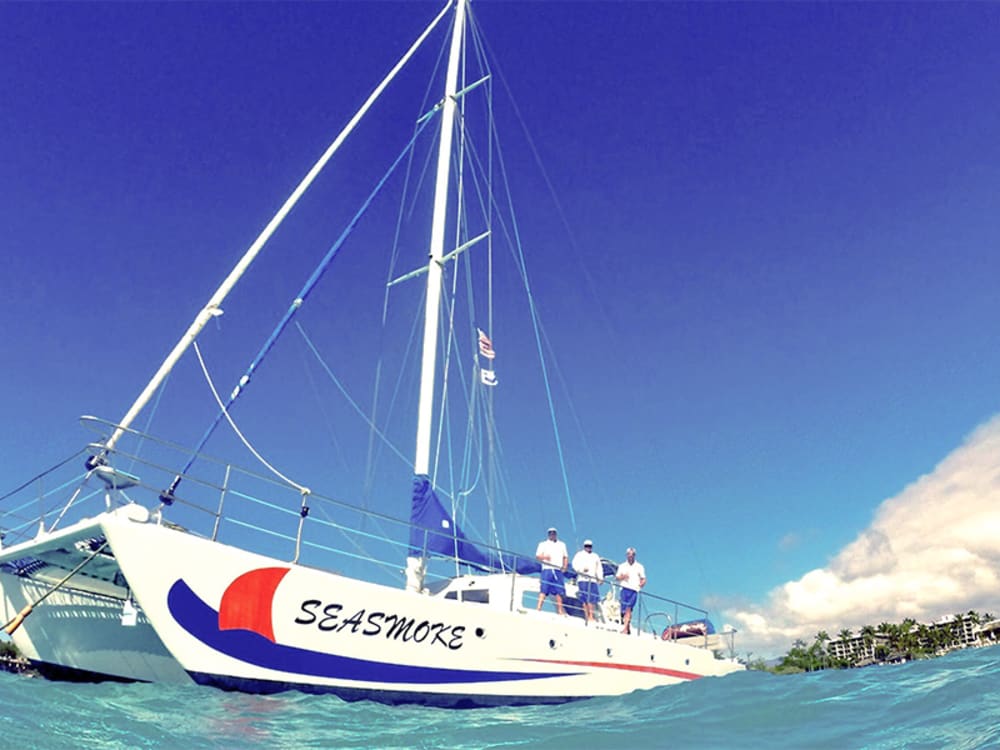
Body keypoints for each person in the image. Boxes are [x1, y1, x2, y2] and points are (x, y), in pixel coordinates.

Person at [535, 526, 568, 614]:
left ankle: (560, 610)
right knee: (544, 589)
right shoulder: (543, 544)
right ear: (548, 534)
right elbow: (538, 556)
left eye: (553, 533)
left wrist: (564, 566)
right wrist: (545, 557)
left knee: (559, 591)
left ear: (556, 534)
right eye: (550, 533)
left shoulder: (562, 544)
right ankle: (538, 608)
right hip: (547, 569)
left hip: (557, 569)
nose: (552, 535)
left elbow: (565, 557)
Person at [615, 546, 646, 634]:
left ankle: (625, 629)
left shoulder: (639, 566)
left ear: (634, 555)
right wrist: (623, 576)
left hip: (633, 590)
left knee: (629, 608)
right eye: (629, 554)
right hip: (624, 589)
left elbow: (643, 578)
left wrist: (642, 584)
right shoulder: (622, 566)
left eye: (632, 555)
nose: (630, 556)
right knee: (623, 610)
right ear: (626, 555)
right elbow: (617, 577)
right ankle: (627, 627)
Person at [571, 539, 603, 623]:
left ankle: (591, 616)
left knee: (591, 599)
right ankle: (587, 616)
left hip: (592, 580)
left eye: (589, 546)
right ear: (584, 546)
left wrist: (600, 578)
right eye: (586, 546)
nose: (588, 548)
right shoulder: (579, 555)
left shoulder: (595, 556)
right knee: (585, 599)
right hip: (582, 580)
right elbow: (574, 565)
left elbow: (599, 568)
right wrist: (581, 570)